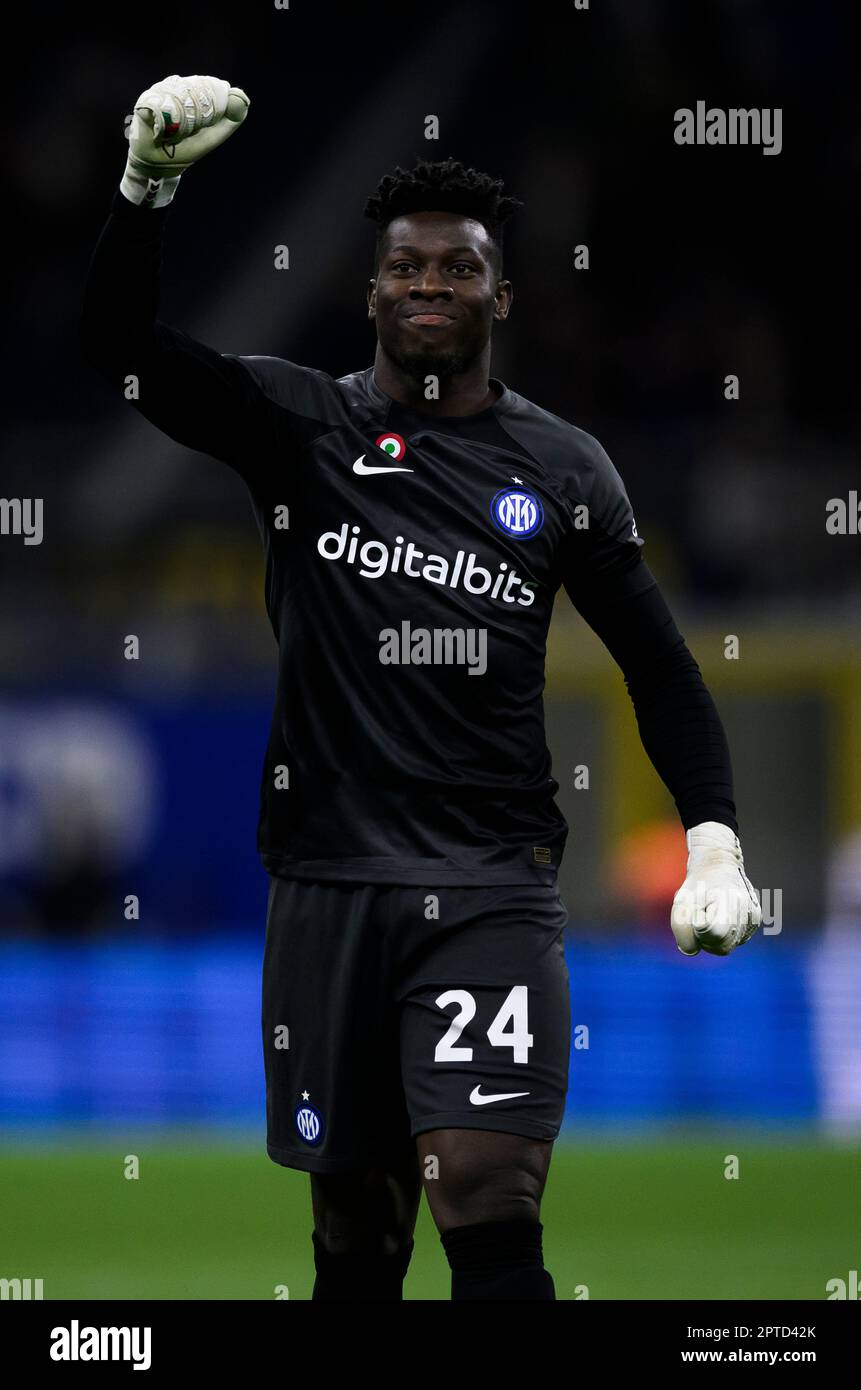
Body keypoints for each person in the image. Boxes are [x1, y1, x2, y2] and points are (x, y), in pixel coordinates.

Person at [80, 74, 762, 1301]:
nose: (429, 288)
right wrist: (146, 188)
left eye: (456, 271)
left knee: (485, 1186)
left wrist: (710, 837)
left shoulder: (562, 469)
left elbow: (657, 662)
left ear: (502, 295)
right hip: (326, 882)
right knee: (355, 1227)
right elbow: (121, 352)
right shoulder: (295, 426)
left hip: (489, 881)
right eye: (407, 268)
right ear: (373, 289)